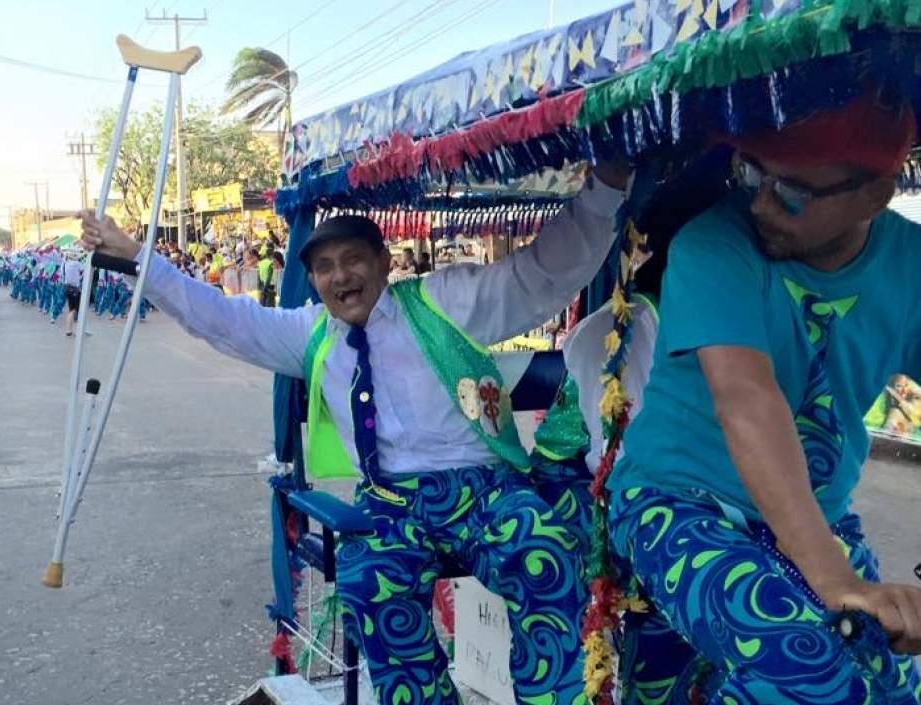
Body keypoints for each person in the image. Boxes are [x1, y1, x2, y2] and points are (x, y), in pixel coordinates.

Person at [80, 161, 630, 705]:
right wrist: (137, 258)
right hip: (388, 501)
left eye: (352, 260)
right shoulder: (307, 334)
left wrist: (605, 187)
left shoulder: (444, 303)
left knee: (544, 549)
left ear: (383, 263)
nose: (340, 276)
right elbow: (218, 318)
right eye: (324, 267)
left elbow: (538, 275)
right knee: (369, 582)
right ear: (314, 280)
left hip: (483, 490)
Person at [607, 88, 921, 704]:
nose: (763, 203)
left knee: (888, 685)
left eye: (794, 191)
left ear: (875, 194)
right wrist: (834, 580)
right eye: (753, 174)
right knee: (808, 670)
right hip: (676, 502)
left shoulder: (910, 265)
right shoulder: (714, 245)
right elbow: (746, 400)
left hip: (818, 514)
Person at [62, 252, 83, 337]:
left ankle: (69, 329)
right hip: (74, 289)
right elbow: (84, 270)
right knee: (75, 310)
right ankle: (77, 330)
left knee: (71, 309)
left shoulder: (64, 264)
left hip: (66, 287)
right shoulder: (76, 263)